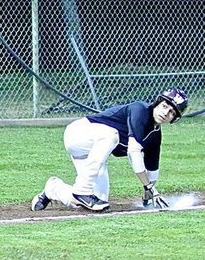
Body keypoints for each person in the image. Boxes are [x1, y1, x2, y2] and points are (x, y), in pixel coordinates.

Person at [31, 87, 188, 213]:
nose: (165, 112)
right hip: (78, 134)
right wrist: (148, 187)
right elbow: (133, 151)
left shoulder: (155, 136)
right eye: (165, 106)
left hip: (91, 152)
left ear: (174, 119)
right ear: (157, 102)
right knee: (111, 134)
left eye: (172, 112)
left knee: (98, 201)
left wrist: (150, 191)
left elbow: (152, 169)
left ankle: (52, 189)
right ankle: (83, 190)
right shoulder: (140, 110)